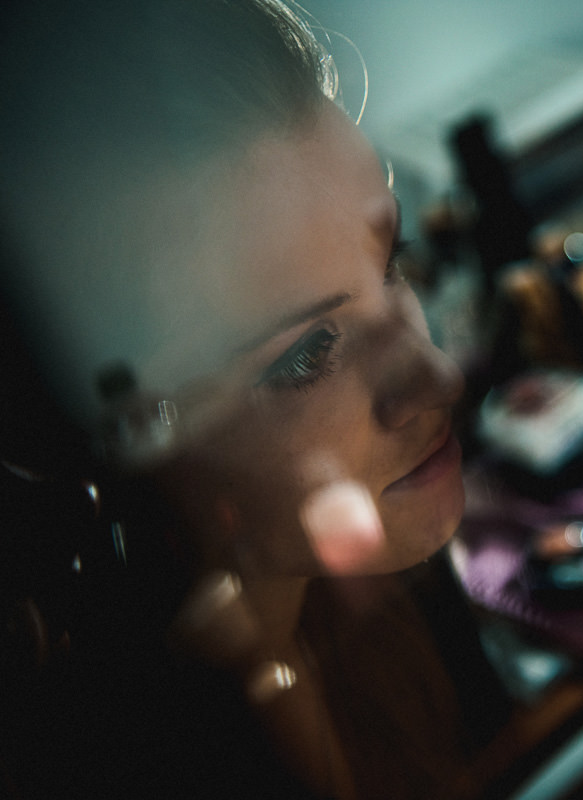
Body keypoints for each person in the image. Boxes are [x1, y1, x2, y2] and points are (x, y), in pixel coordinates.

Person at [0, 2, 505, 797]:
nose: (439, 378)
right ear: (86, 462)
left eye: (392, 260)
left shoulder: (378, 612)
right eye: (304, 354)